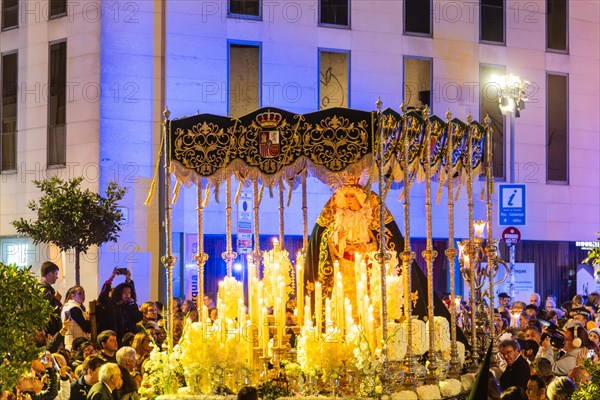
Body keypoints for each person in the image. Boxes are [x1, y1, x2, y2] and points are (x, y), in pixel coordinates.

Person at [62, 285, 92, 351]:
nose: (83, 296)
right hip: (75, 345)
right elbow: (86, 327)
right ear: (73, 295)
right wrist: (88, 319)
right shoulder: (74, 308)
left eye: (84, 293)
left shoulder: (67, 306)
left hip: (71, 343)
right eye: (79, 293)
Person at [40, 261, 63, 335]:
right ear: (49, 274)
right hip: (50, 330)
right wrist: (55, 298)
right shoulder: (42, 288)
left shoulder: (48, 288)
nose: (57, 277)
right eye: (56, 274)